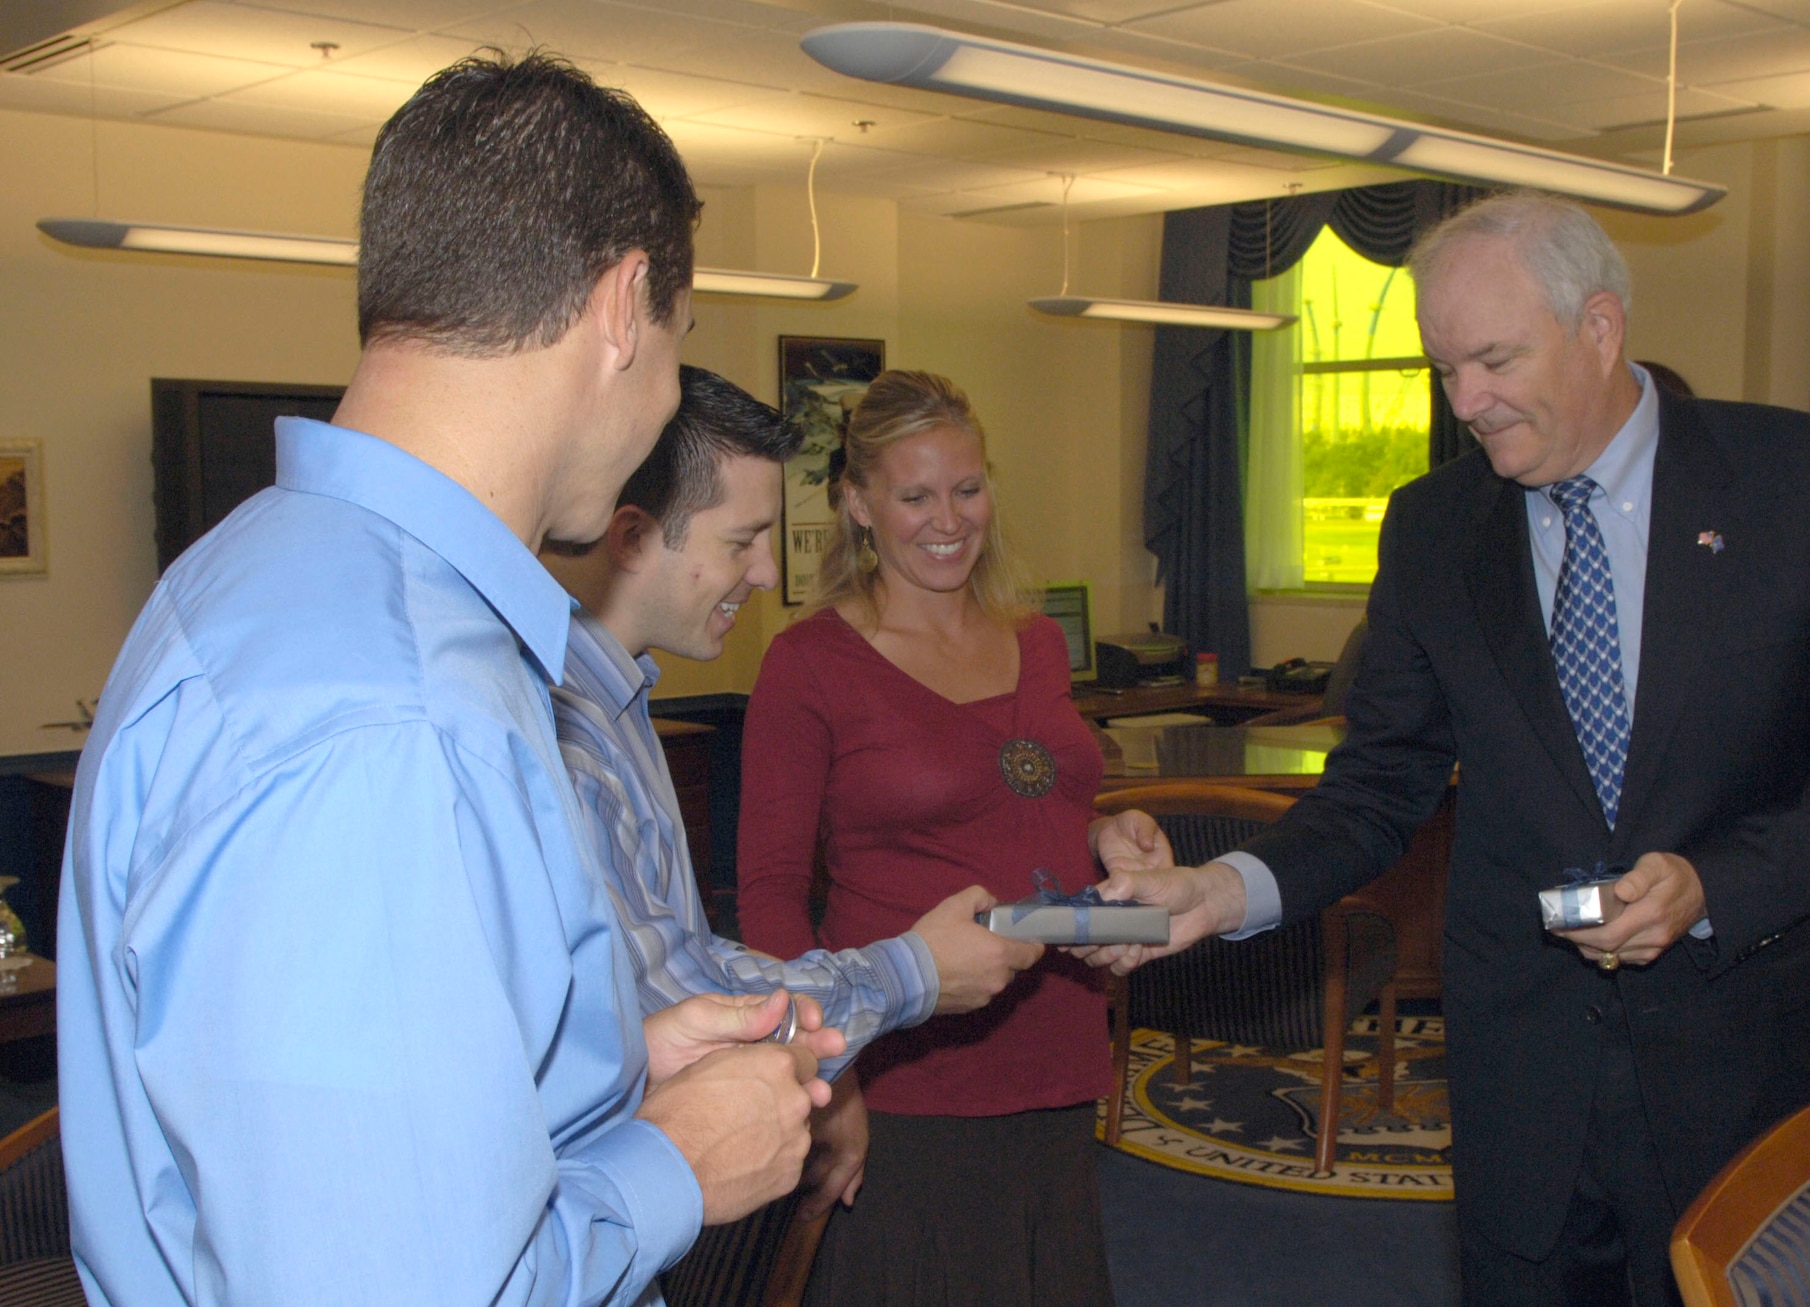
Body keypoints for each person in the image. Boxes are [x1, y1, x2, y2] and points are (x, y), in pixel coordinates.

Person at [58, 54, 838, 1306]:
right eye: (676, 353)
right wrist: (674, 1160)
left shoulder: (263, 575)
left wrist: (607, 1073)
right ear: (624, 306)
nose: (660, 408)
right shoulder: (392, 718)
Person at [1084, 192, 1810, 1306]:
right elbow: (1377, 782)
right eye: (1443, 369)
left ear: (1599, 326)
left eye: (1492, 360)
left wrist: (1710, 884)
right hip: (1520, 1074)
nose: (1466, 403)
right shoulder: (1432, 525)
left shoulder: (1802, 481)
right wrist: (1220, 888)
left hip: (1738, 1060)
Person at [539, 365, 1046, 1221]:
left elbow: (687, 962)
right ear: (631, 538)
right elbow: (680, 993)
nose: (769, 573)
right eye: (743, 542)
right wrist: (912, 970)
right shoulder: (572, 739)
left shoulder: (620, 702)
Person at [736, 370, 1168, 1306]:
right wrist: (827, 1065)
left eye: (967, 488)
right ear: (857, 503)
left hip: (1055, 1046)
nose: (949, 518)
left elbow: (1032, 800)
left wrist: (1107, 834)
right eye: (915, 494)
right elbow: (769, 893)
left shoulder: (1036, 637)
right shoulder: (808, 664)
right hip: (907, 1071)